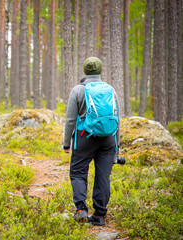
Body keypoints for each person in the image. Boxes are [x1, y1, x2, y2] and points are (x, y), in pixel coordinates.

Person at [63, 57, 120, 226]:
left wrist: (66, 143)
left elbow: (70, 120)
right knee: (103, 176)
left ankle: (81, 210)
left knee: (78, 172)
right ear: (100, 70)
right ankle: (100, 215)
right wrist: (116, 145)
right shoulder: (111, 90)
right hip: (108, 138)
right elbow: (117, 119)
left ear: (85, 71)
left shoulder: (77, 91)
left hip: (84, 137)